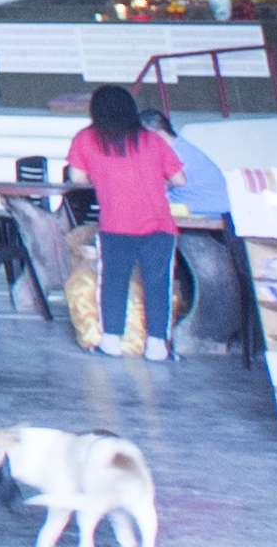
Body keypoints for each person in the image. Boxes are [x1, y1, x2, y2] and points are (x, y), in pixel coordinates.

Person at [64, 84, 186, 361]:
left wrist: (104, 176)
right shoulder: (153, 140)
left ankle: (111, 343)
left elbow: (77, 178)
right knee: (158, 283)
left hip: (115, 224)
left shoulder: (86, 139)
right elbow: (180, 180)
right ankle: (157, 347)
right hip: (158, 224)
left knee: (113, 281)